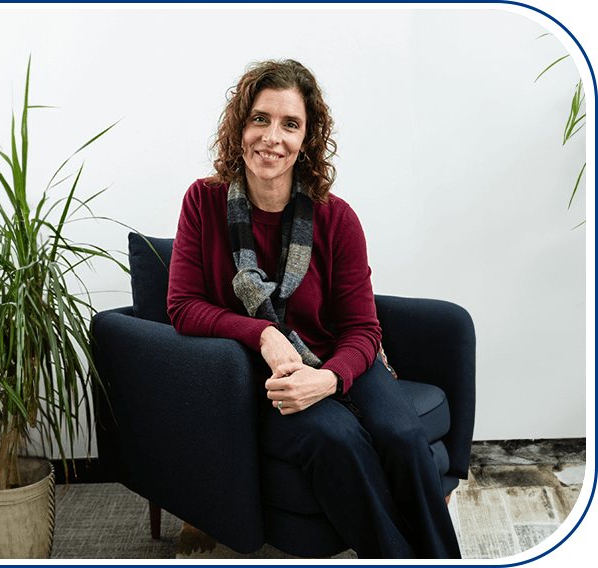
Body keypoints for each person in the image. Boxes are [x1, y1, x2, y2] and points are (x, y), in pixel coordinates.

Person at [166, 59, 461, 560]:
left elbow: (363, 329)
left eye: (290, 124)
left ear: (307, 138)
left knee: (403, 435)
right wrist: (262, 334)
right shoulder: (203, 202)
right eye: (260, 118)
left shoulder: (336, 217)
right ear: (240, 126)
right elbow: (182, 306)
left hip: (339, 360)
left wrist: (328, 380)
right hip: (260, 377)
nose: (271, 137)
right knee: (338, 439)